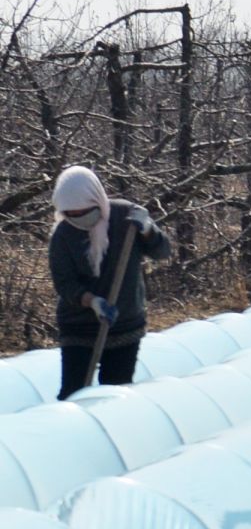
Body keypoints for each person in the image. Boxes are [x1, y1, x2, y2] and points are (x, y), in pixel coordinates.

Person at [48, 166, 170, 399]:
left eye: (84, 212)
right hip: (79, 327)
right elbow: (64, 283)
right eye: (71, 214)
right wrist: (92, 301)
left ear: (97, 201)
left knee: (114, 394)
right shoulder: (63, 235)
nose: (79, 218)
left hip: (124, 322)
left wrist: (148, 230)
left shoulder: (126, 218)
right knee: (74, 393)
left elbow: (163, 251)